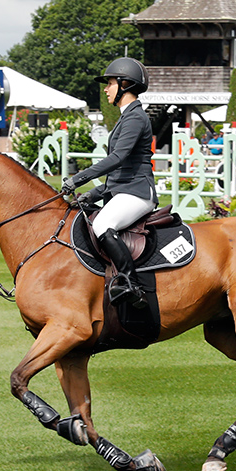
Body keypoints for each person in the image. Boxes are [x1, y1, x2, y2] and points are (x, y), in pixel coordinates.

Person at [61, 57, 157, 308]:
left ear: (125, 84)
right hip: (126, 189)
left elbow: (118, 158)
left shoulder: (135, 118)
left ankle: (130, 283)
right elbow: (122, 171)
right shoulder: (126, 117)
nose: (106, 88)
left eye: (110, 83)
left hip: (137, 192)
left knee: (103, 223)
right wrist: (92, 194)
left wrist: (78, 179)